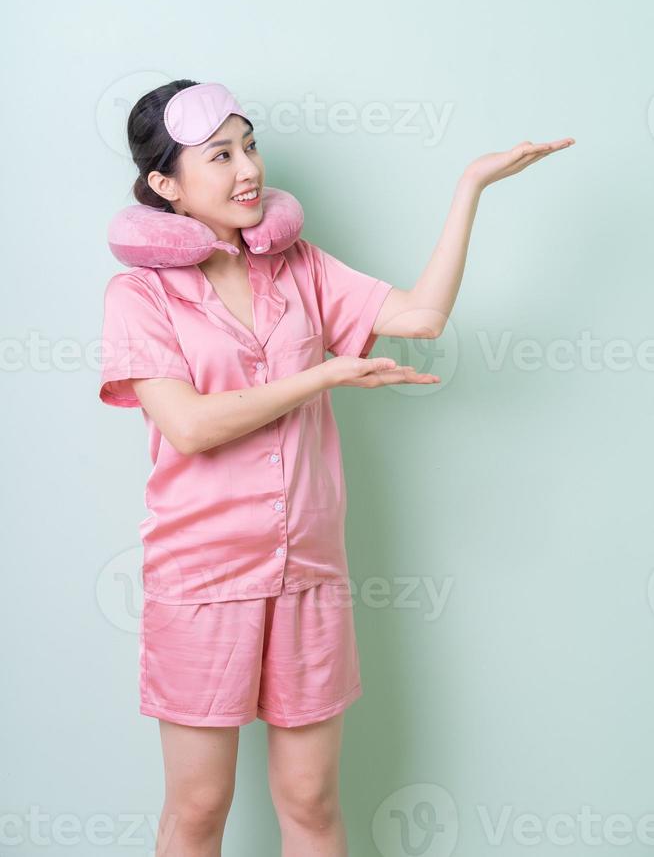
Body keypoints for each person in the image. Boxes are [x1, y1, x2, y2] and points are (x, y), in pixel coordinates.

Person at [99, 78, 574, 856]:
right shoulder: (139, 295)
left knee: (313, 801)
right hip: (202, 581)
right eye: (219, 156)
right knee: (199, 807)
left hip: (309, 573)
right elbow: (187, 425)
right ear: (165, 186)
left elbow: (420, 316)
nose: (248, 169)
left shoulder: (302, 268)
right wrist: (323, 375)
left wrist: (470, 187)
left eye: (250, 146)